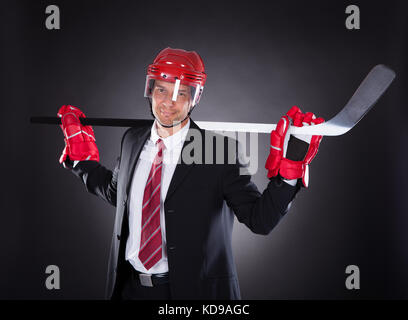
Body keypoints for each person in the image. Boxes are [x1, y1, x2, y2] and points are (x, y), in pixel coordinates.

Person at [57, 47, 324, 300]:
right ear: (150, 90)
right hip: (129, 289)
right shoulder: (132, 140)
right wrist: (82, 162)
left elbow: (260, 220)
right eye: (161, 89)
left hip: (190, 293)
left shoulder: (219, 152)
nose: (168, 102)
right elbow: (119, 194)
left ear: (195, 97)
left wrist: (289, 173)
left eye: (181, 93)